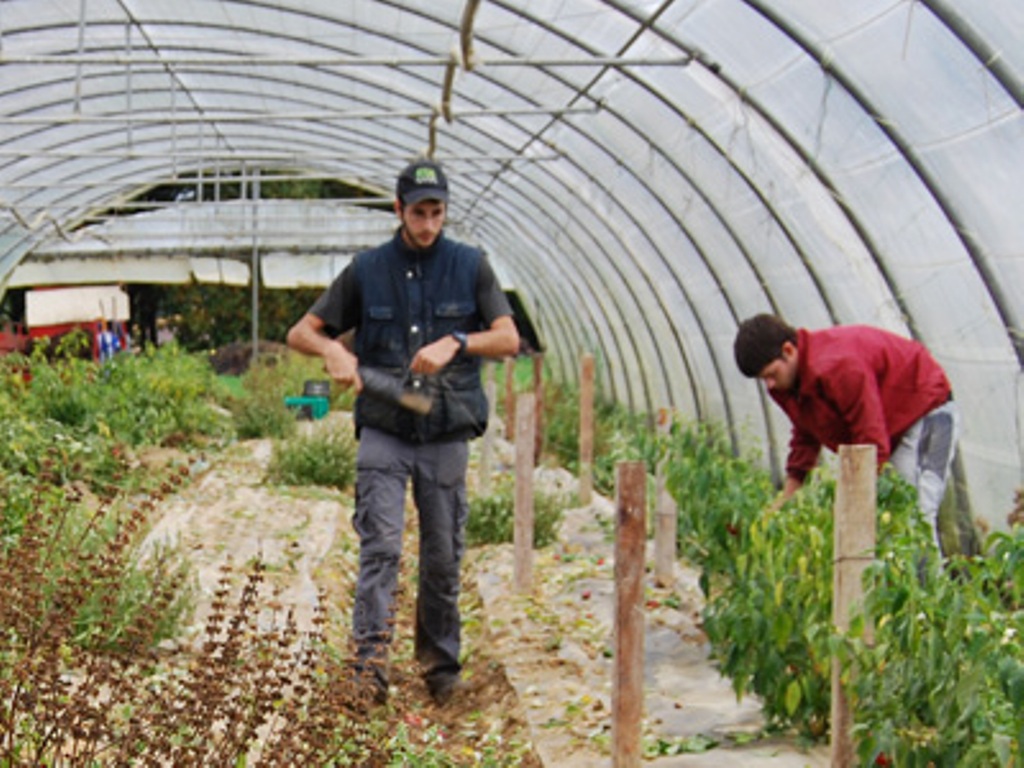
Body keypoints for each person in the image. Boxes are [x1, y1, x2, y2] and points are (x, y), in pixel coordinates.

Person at [286, 159, 519, 707]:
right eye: (419, 212)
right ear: (398, 209)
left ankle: (441, 669)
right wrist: (334, 350)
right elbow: (302, 331)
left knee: (442, 554)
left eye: (437, 212)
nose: (429, 224)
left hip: (445, 432)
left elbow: (507, 338)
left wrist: (458, 341)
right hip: (385, 431)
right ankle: (368, 671)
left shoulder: (471, 266)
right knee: (381, 548)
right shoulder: (368, 270)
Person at [733, 313, 961, 556]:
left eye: (770, 374)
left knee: (914, 512)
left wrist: (849, 504)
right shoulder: (786, 384)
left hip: (926, 412)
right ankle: (887, 589)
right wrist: (787, 496)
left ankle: (924, 591)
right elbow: (805, 433)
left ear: (788, 351)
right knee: (889, 518)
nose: (769, 385)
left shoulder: (839, 366)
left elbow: (870, 440)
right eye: (762, 379)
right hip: (890, 427)